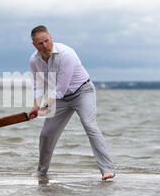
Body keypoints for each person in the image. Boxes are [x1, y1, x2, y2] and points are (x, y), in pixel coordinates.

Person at [27, 25, 115, 180]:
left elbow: (61, 86)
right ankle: (42, 171)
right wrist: (36, 105)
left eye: (47, 41)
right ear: (35, 45)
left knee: (90, 126)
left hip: (82, 92)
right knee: (46, 133)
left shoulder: (66, 54)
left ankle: (107, 169)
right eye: (40, 43)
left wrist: (45, 106)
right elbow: (38, 85)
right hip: (60, 98)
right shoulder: (34, 60)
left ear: (51, 38)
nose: (45, 45)